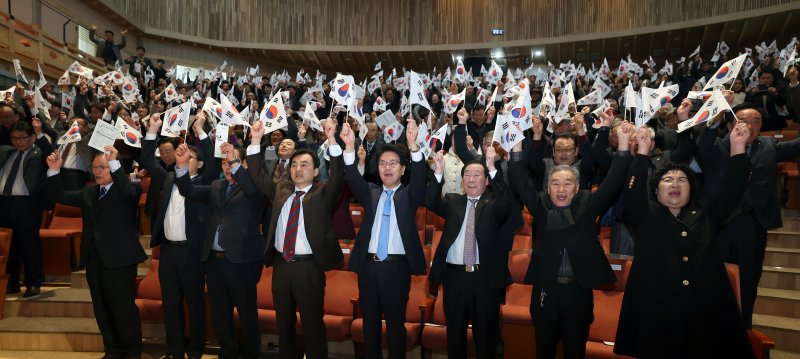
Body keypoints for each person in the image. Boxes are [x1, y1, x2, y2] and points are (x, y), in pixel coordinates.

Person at [614, 123, 755, 358]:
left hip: (705, 312)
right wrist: (641, 155)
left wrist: (738, 147)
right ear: (657, 191)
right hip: (657, 314)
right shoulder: (645, 215)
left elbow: (732, 188)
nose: (675, 184)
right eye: (668, 180)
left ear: (691, 189)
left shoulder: (707, 215)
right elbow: (632, 193)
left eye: (682, 180)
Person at [508, 117, 634, 359]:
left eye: (567, 183)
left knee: (575, 351)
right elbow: (520, 182)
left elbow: (615, 180)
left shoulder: (588, 202)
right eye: (556, 183)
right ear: (548, 187)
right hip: (546, 289)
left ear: (576, 188)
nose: (562, 188)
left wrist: (624, 144)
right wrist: (515, 145)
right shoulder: (541, 205)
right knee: (543, 350)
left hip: (578, 291)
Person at [245, 119, 344, 358]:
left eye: (305, 165)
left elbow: (339, 174)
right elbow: (257, 175)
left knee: (312, 326)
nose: (298, 169)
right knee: (284, 326)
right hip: (281, 266)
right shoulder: (282, 190)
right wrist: (256, 140)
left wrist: (332, 139)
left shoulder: (323, 193)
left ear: (316, 170)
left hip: (309, 268)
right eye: (294, 165)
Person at [695, 103, 800, 328]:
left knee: (749, 281)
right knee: (714, 278)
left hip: (753, 224)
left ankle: (743, 330)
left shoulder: (770, 145)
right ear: (731, 124)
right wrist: (714, 118)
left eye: (756, 121)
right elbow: (701, 144)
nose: (751, 126)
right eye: (744, 121)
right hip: (719, 225)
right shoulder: (715, 147)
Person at [46, 145, 146, 359]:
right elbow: (58, 194)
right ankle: (113, 349)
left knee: (123, 308)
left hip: (120, 259)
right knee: (101, 308)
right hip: (94, 257)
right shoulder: (89, 191)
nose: (97, 172)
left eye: (103, 167)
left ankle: (132, 350)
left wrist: (114, 162)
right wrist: (54, 170)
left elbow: (128, 191)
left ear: (113, 167)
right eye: (94, 167)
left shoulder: (128, 190)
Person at [343, 118, 427, 359]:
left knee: (394, 327)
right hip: (369, 267)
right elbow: (351, 176)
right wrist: (349, 148)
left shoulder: (409, 195)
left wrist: (413, 146)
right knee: (369, 326)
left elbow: (420, 181)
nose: (387, 167)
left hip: (396, 269)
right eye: (382, 163)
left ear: (402, 169)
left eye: (393, 163)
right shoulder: (370, 193)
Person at [174, 141, 266, 359]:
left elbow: (256, 193)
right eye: (224, 163)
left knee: (247, 314)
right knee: (219, 313)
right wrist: (181, 166)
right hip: (215, 261)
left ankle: (250, 354)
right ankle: (227, 353)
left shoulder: (255, 187)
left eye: (232, 162)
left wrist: (235, 162)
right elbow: (188, 190)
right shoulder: (217, 186)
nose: (227, 167)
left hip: (242, 261)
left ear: (244, 164)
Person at [141, 113, 217, 359]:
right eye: (179, 154)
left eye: (189, 156)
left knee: (194, 304)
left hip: (192, 252)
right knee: (170, 304)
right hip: (168, 252)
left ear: (200, 163)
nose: (181, 156)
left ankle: (195, 350)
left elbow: (215, 163)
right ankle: (174, 350)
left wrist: (201, 130)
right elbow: (147, 161)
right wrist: (152, 130)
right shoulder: (169, 177)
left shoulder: (206, 181)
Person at [425, 147, 511, 358]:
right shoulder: (454, 201)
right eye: (467, 175)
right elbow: (431, 202)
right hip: (454, 277)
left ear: (486, 180)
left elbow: (506, 201)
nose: (471, 179)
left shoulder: (493, 205)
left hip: (485, 279)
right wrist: (438, 173)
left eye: (477, 174)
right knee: (454, 337)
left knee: (485, 339)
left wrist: (492, 168)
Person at [0, 121, 51, 297]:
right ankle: (11, 282)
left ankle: (33, 282)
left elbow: (50, 155)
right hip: (5, 203)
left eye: (22, 138)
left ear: (32, 137)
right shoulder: (6, 152)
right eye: (15, 138)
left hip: (26, 205)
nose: (18, 142)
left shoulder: (38, 154)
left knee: (29, 245)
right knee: (8, 245)